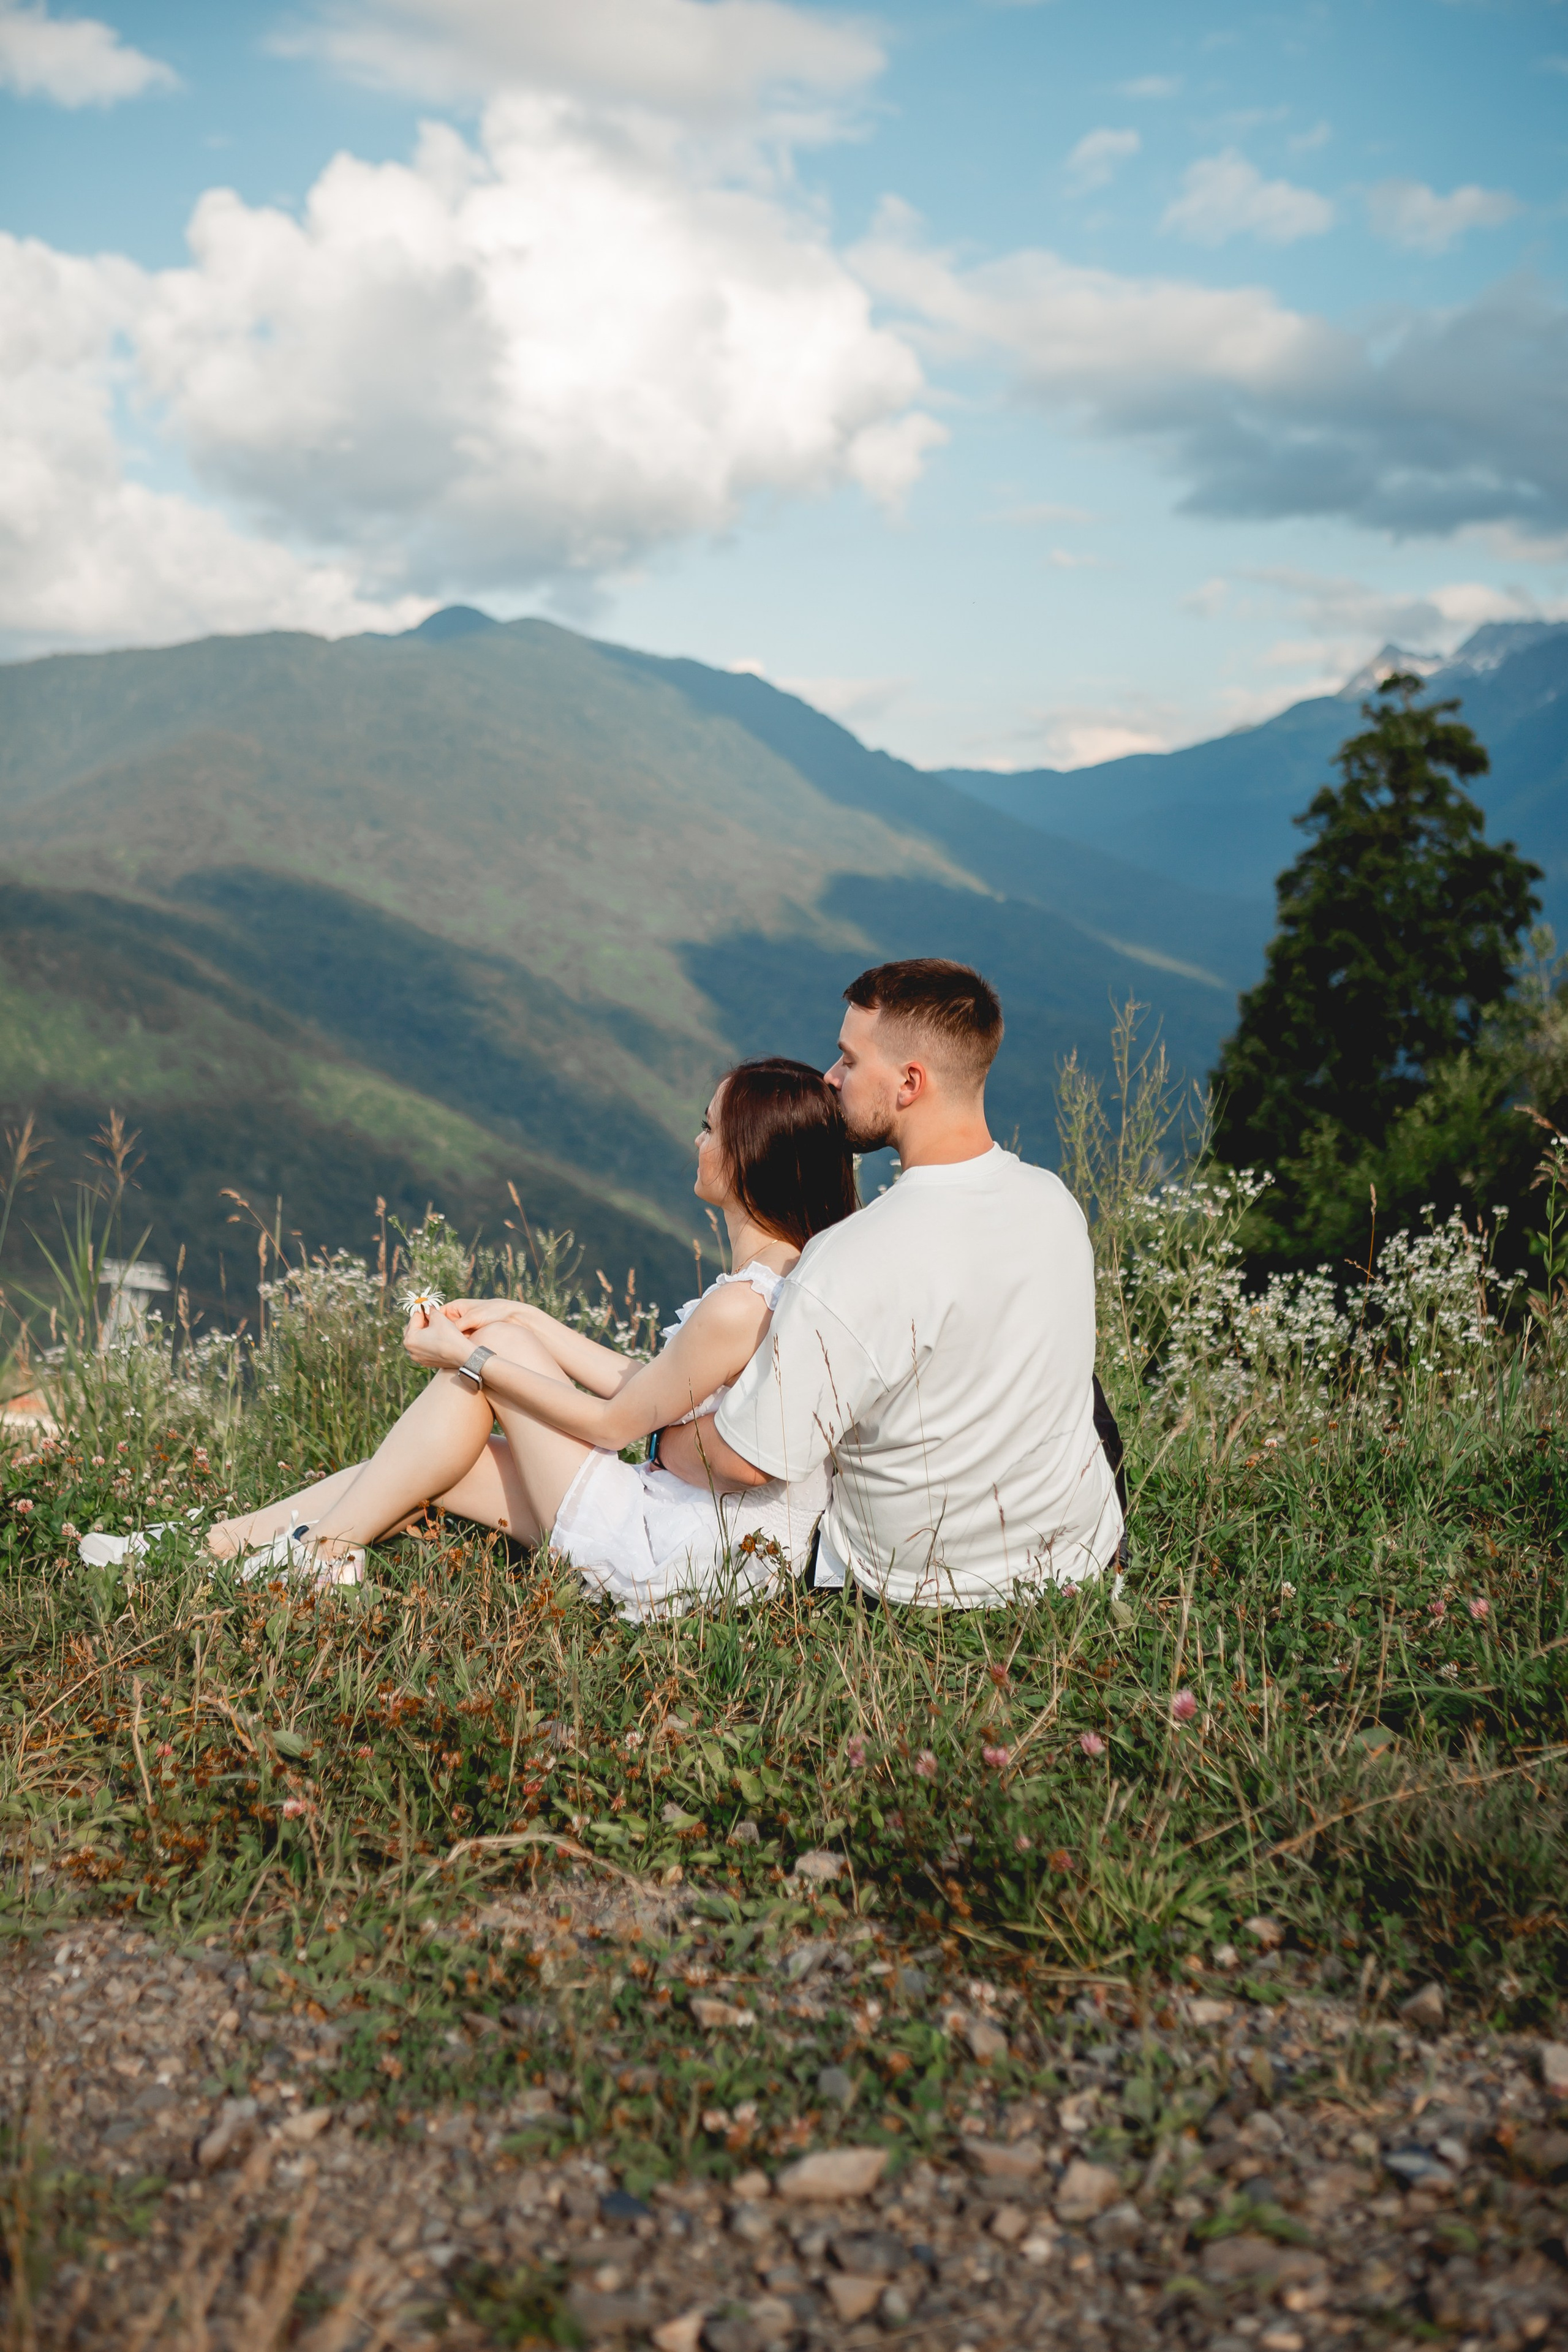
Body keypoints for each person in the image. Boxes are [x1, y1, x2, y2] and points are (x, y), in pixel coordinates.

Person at [199, 1059, 856, 1616]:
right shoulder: (774, 1277)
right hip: (694, 1527)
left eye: (710, 1127)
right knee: (438, 1456)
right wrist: (524, 1315)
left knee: (488, 1371)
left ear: (750, 1155)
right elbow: (656, 1386)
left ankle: (319, 1556)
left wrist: (471, 1356)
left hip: (674, 1553)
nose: (697, 1140)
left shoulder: (742, 1305)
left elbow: (614, 1425)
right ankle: (218, 1546)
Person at [655, 960, 1124, 1606]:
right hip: (1080, 1558)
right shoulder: (1055, 1203)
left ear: (909, 1082)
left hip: (914, 1590)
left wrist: (661, 1435)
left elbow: (744, 1460)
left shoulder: (852, 1255)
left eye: (849, 1060)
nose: (831, 1077)